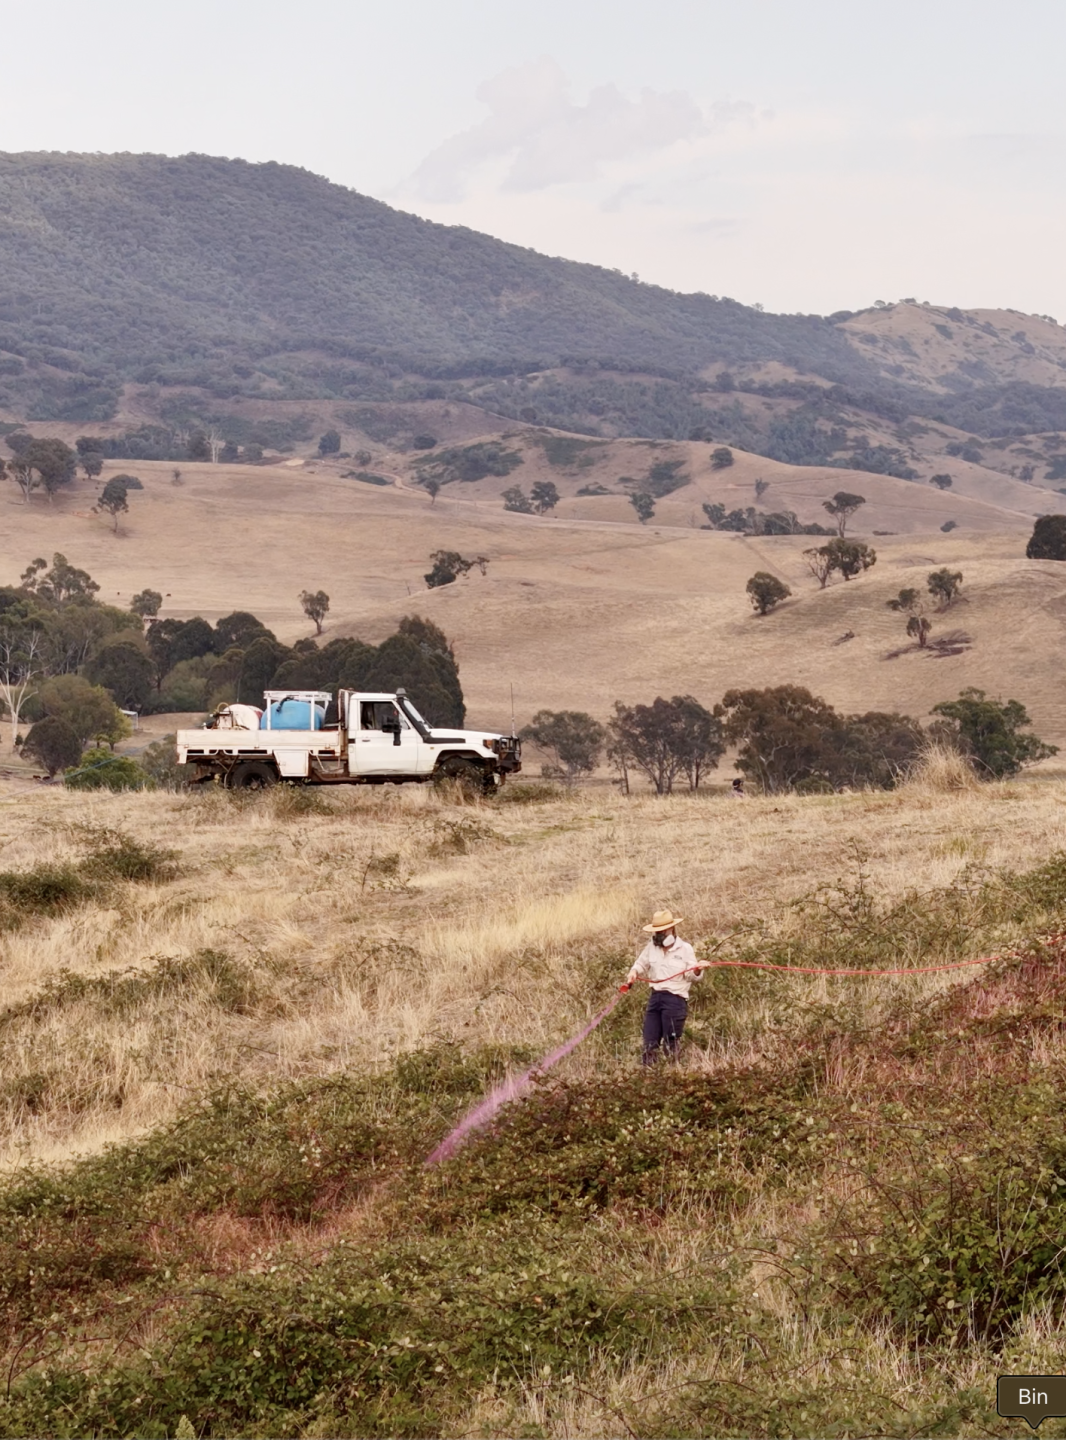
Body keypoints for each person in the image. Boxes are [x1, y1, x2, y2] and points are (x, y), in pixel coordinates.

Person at [621, 909, 705, 1065]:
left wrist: (698, 969)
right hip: (655, 998)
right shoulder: (651, 947)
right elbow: (640, 963)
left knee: (670, 1044)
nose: (658, 934)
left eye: (661, 931)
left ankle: (675, 1076)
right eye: (656, 931)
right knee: (649, 1043)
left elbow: (692, 976)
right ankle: (649, 1079)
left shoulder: (685, 949)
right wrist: (633, 972)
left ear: (671, 929)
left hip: (675, 1000)